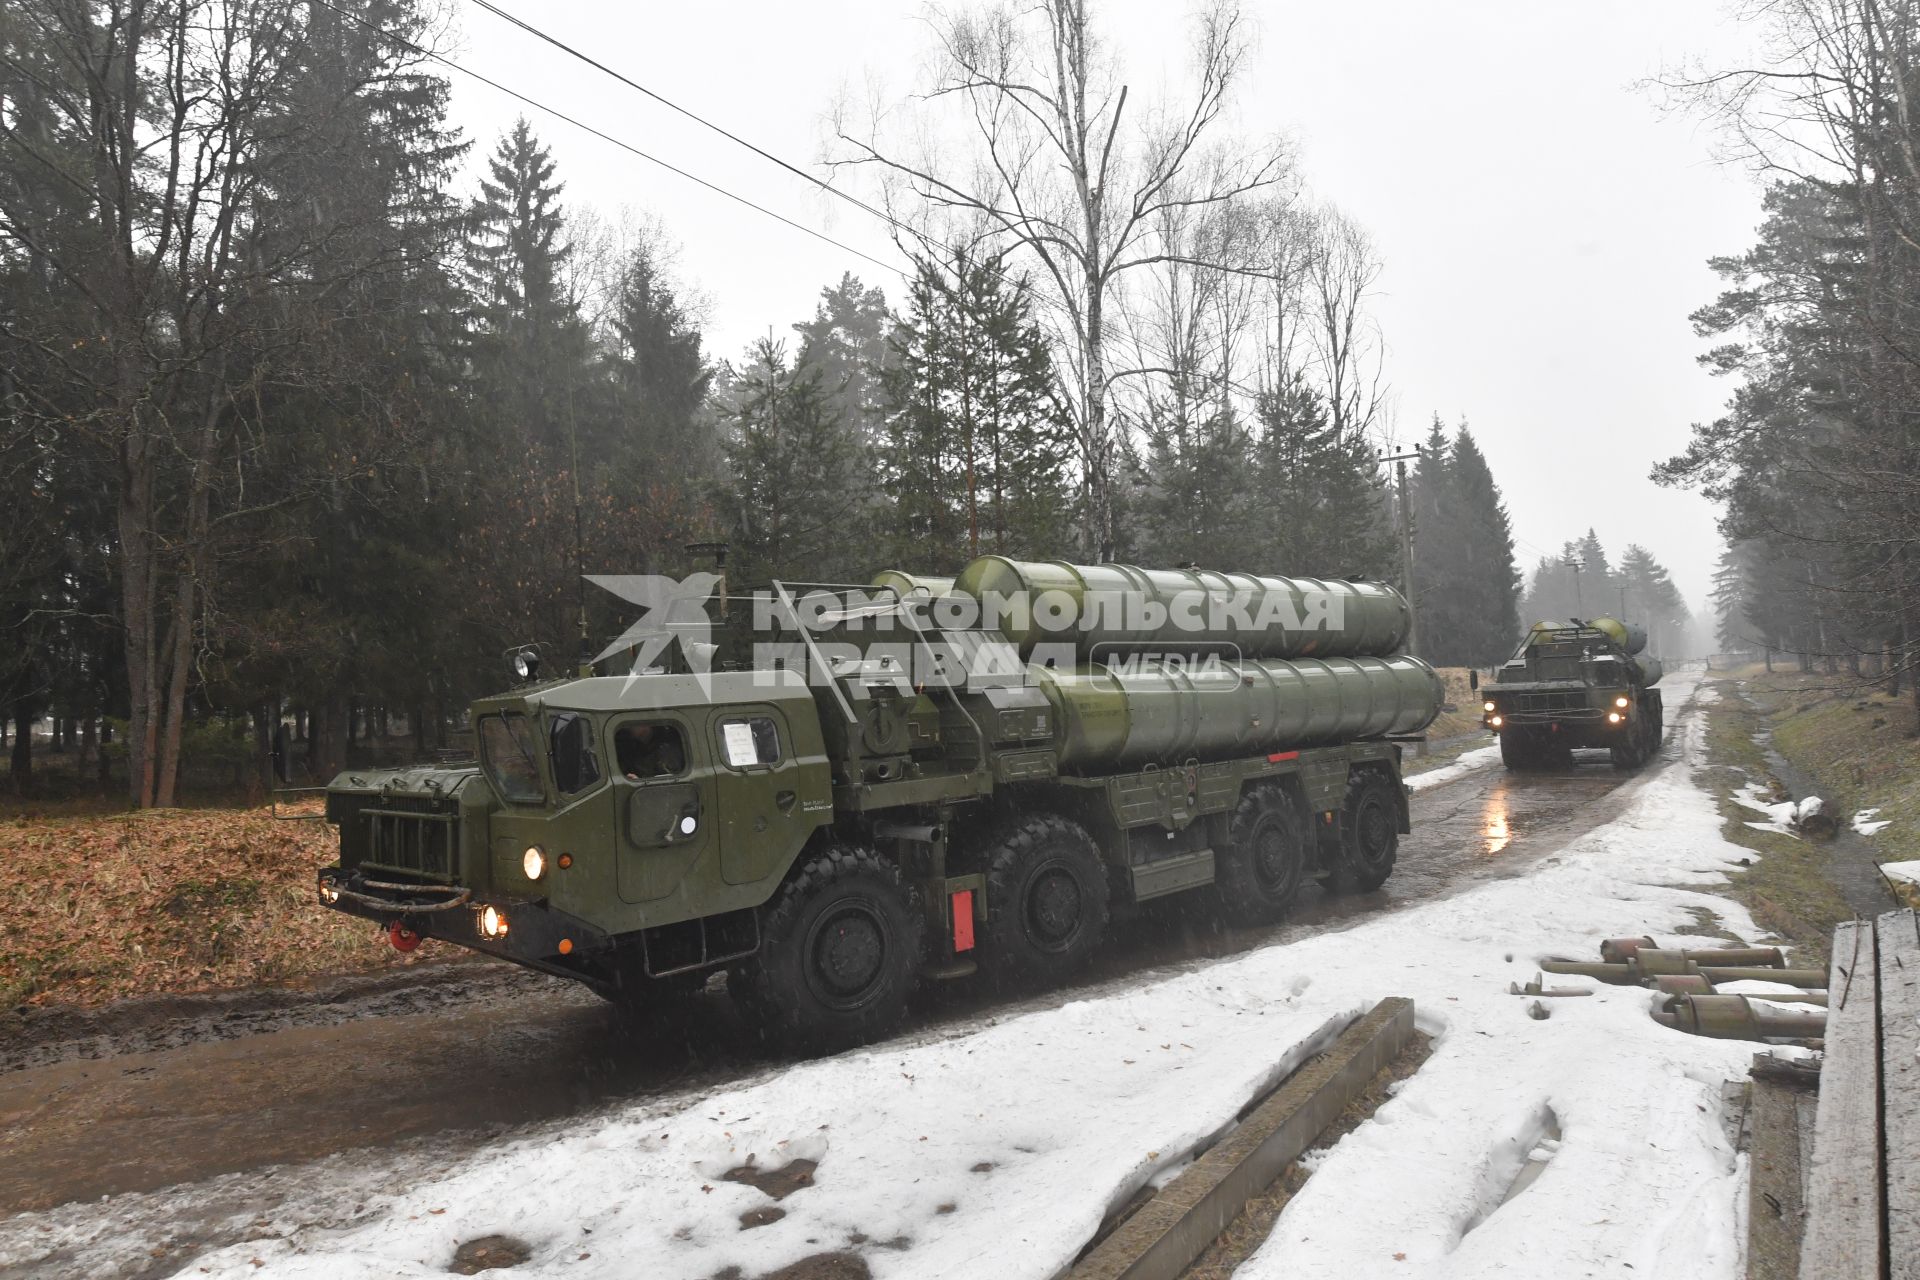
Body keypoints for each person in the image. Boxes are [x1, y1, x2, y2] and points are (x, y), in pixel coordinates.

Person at [615, 723, 684, 779]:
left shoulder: (668, 747)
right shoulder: (631, 750)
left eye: (643, 723)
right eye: (632, 728)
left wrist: (639, 782)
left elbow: (670, 780)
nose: (640, 729)